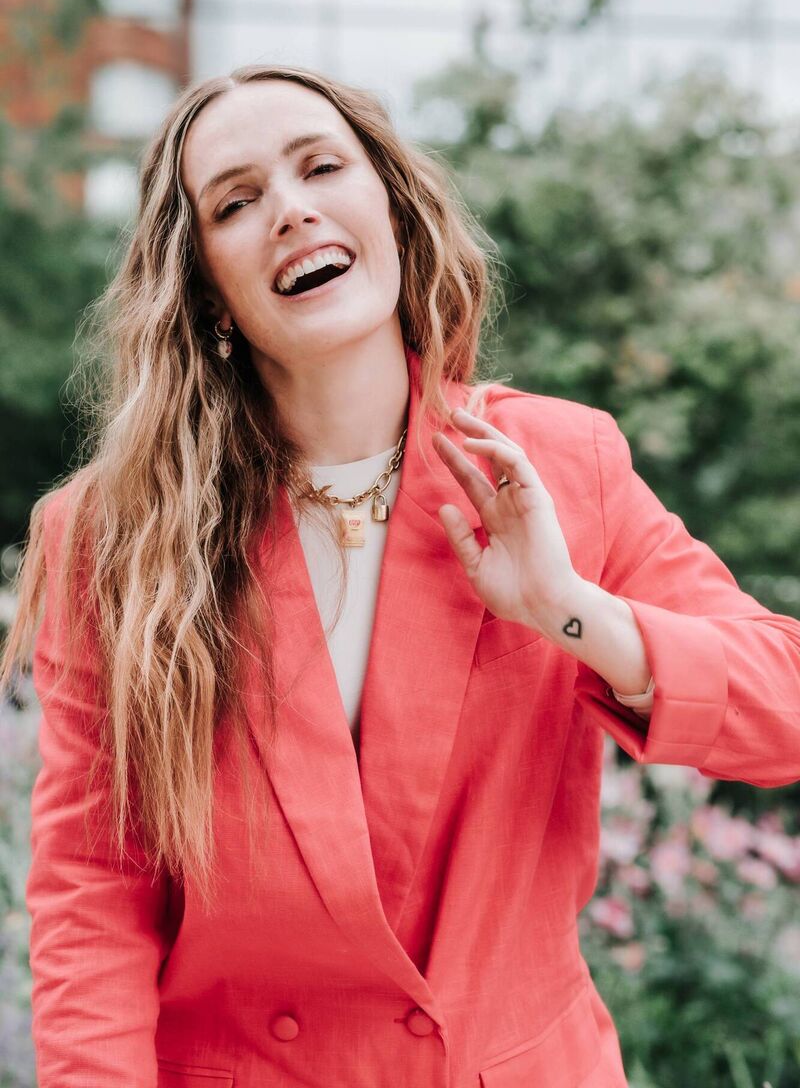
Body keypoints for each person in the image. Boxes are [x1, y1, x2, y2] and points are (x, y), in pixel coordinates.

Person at [2, 63, 799, 1088]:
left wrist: (565, 608)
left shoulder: (558, 465)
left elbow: (782, 708)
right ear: (205, 288)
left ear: (390, 205)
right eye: (237, 203)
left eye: (320, 167)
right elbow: (90, 897)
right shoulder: (109, 538)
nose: (290, 211)